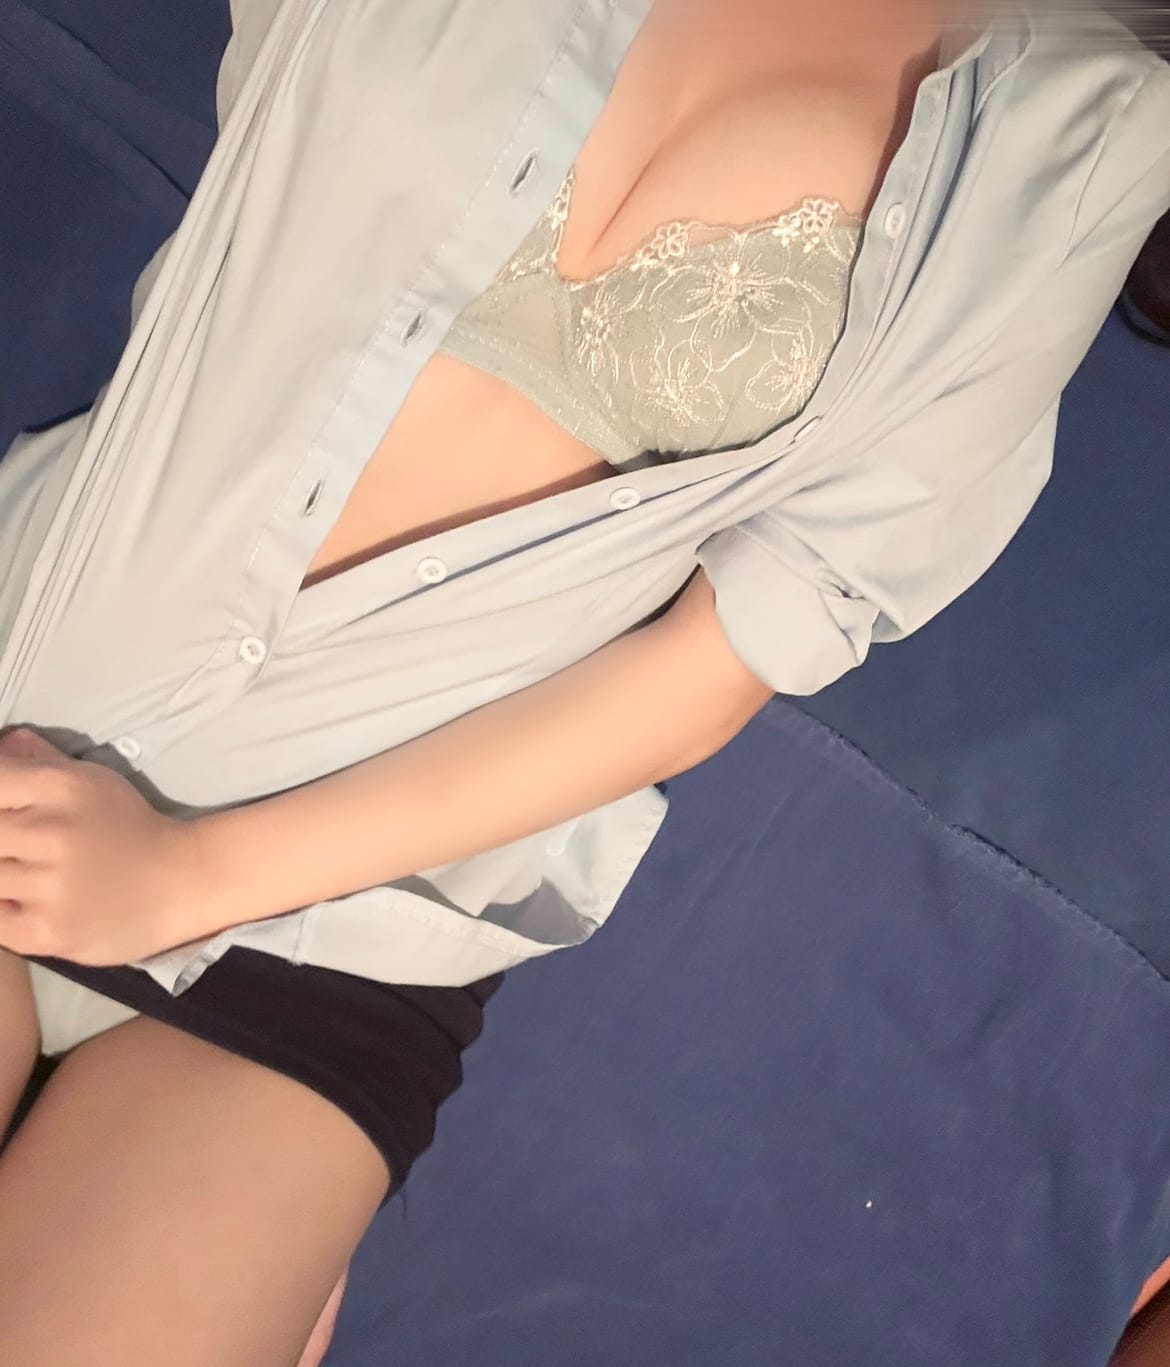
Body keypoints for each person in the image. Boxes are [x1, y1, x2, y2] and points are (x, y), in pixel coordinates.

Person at [0, 0, 1167, 1363]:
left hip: (359, 920)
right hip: (41, 694)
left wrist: (192, 875)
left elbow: (718, 659)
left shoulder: (1078, 132)